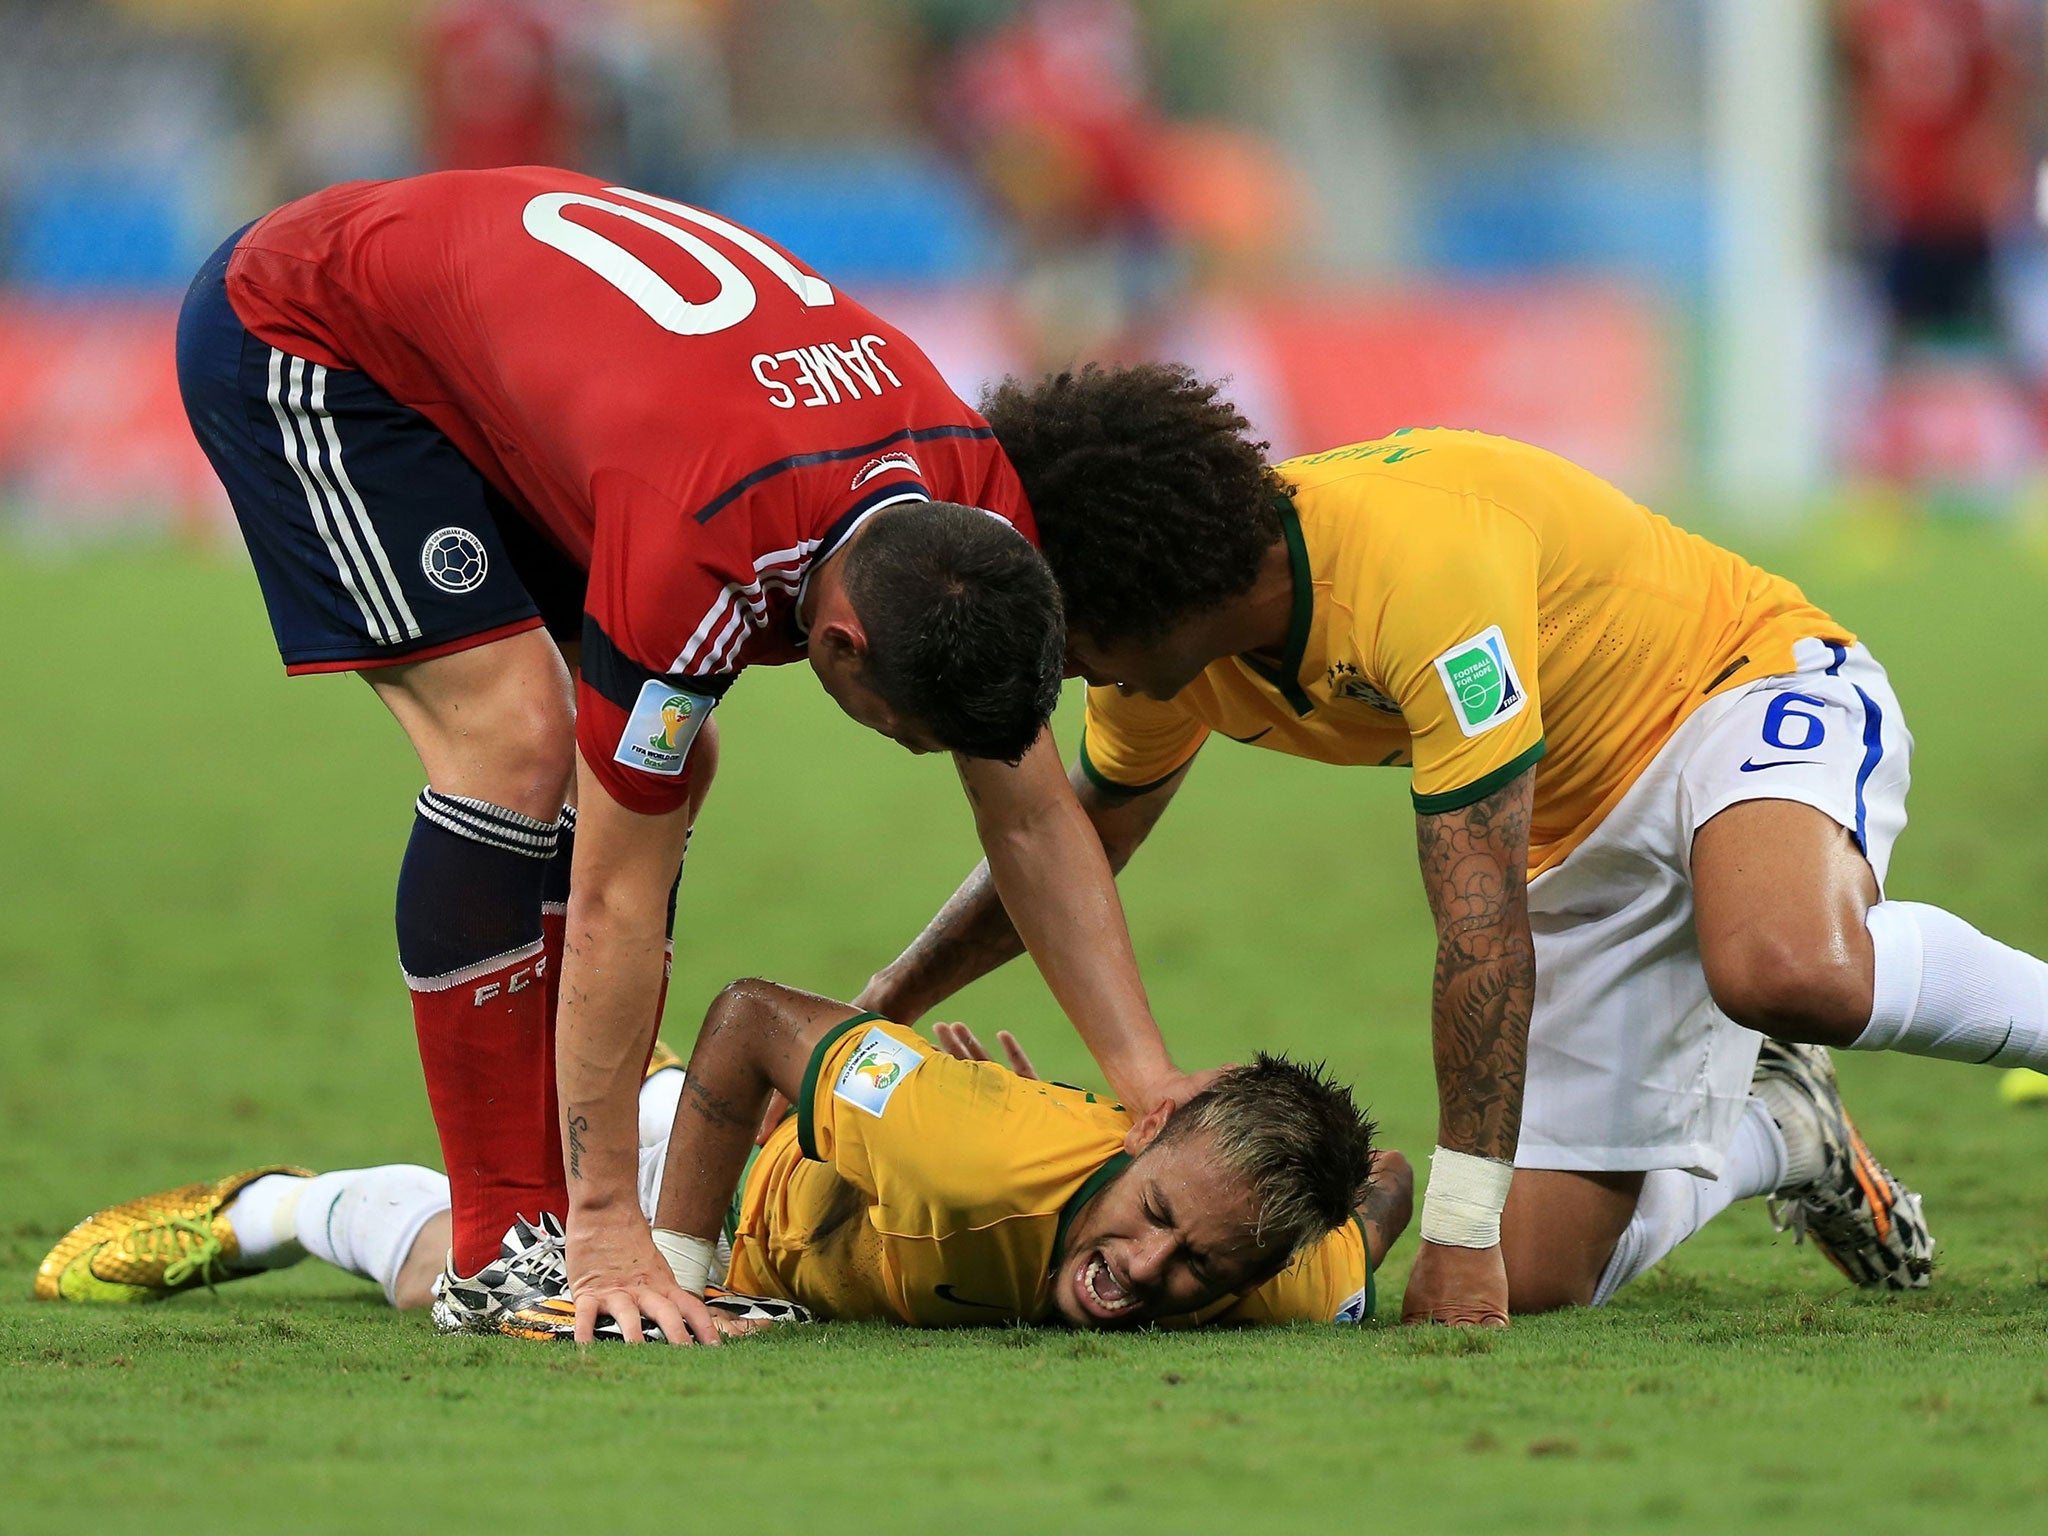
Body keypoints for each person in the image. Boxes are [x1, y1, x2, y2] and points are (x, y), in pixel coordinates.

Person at [174, 170, 1203, 1345]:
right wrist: (616, 1226)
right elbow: (617, 892)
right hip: (313, 325)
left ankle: (543, 1195)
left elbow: (1027, 818)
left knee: (676, 762)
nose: (920, 755)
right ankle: (514, 1240)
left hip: (556, 374)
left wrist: (1146, 1075)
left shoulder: (976, 504)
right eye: (906, 732)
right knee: (515, 744)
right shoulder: (699, 564)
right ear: (834, 645)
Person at [858, 364, 2041, 1324]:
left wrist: (1457, 1223)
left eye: (1069, 636)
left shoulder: (1417, 573)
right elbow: (1062, 860)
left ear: (1138, 596)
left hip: (1730, 697)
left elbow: (1479, 927)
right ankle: (1780, 1131)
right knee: (1532, 1283)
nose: (1060, 668)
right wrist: (889, 1002)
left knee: (1782, 969)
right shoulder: (1160, 668)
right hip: (1573, 841)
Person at [36, 990, 1402, 1337]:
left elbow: (1378, 1205)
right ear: (1142, 1130)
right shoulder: (973, 1150)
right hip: (707, 1151)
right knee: (470, 1277)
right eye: (1154, 1215)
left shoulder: (1273, 1271)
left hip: (804, 1227)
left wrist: (1425, 1220)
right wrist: (662, 1265)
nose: (1146, 1271)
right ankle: (271, 1210)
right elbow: (751, 1016)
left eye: (1197, 1263)